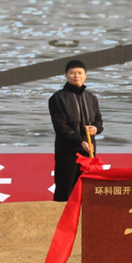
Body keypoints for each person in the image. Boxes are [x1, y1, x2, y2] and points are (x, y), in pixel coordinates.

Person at [48, 60, 103, 202]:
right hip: (67, 151)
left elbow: (98, 120)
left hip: (89, 151)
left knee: (86, 189)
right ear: (66, 75)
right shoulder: (57, 98)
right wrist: (80, 141)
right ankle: (60, 214)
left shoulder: (91, 98)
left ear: (85, 75)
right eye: (72, 73)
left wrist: (96, 128)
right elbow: (60, 126)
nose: (76, 76)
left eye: (80, 73)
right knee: (65, 189)